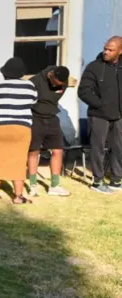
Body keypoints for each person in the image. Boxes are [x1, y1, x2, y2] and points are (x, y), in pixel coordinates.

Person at [0, 57, 38, 204]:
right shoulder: (29, 86)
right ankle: (18, 196)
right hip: (20, 127)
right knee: (19, 160)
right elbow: (33, 101)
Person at [78, 36, 122, 194]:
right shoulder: (94, 67)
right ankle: (97, 181)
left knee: (118, 147)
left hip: (119, 115)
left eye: (111, 50)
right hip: (99, 115)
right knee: (98, 148)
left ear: (120, 51)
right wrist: (100, 104)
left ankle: (116, 180)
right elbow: (83, 91)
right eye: (105, 48)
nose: (106, 52)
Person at [28, 66, 71, 197]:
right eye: (55, 83)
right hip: (35, 118)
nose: (57, 87)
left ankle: (55, 185)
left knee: (57, 150)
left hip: (52, 118)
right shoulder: (34, 81)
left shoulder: (64, 81)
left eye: (60, 85)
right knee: (33, 151)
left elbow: (53, 99)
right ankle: (33, 185)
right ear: (50, 75)